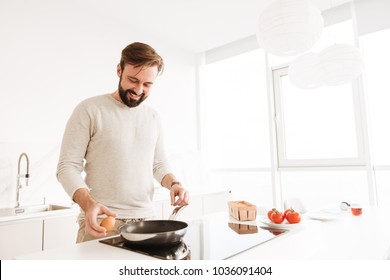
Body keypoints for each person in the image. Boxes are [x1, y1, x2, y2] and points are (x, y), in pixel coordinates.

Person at [56, 42, 189, 243]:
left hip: (147, 223)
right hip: (102, 223)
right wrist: (88, 204)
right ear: (119, 69)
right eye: (133, 80)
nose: (138, 90)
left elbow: (158, 164)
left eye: (147, 84)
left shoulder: (153, 117)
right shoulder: (90, 109)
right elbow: (67, 167)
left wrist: (174, 184)